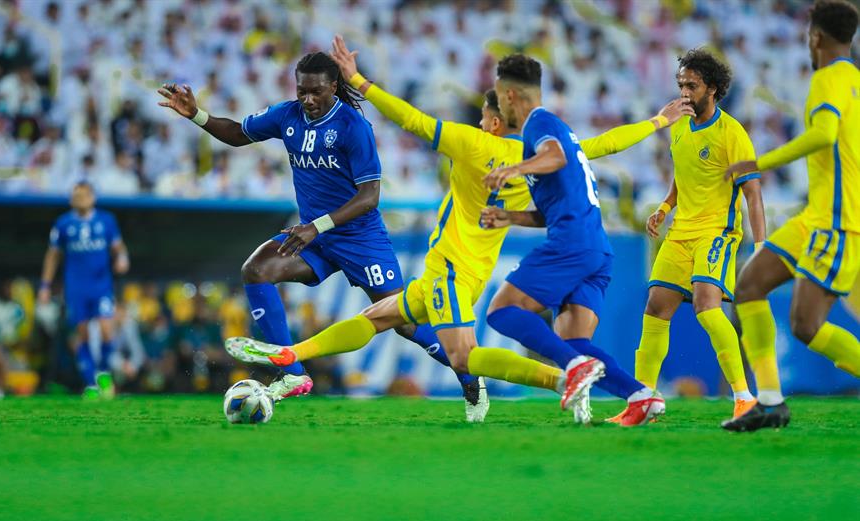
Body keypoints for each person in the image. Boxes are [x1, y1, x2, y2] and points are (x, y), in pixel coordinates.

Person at [226, 39, 691, 423]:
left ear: (492, 119)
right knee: (378, 318)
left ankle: (563, 377)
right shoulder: (541, 157)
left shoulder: (473, 144)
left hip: (451, 268)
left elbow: (411, 119)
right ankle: (293, 357)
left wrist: (361, 82)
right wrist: (656, 122)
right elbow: (604, 145)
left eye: (483, 116)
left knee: (465, 356)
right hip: (465, 271)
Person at [158, 52, 482, 405]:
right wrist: (196, 115)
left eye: (315, 92)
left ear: (334, 86)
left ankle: (469, 375)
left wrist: (317, 226)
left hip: (359, 238)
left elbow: (370, 195)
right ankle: (292, 374)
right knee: (256, 270)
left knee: (402, 321)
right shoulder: (287, 115)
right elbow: (237, 134)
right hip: (314, 238)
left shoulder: (353, 127)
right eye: (302, 91)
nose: (308, 100)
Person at [481, 54, 669, 427]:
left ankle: (575, 367)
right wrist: (511, 217)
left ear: (509, 94)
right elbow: (555, 203)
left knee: (501, 311)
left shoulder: (540, 124)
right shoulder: (557, 128)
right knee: (574, 341)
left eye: (500, 97)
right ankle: (641, 396)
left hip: (571, 244)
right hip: (596, 248)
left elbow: (556, 156)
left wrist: (513, 170)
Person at [723, 0, 859, 431]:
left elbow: (823, 133)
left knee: (805, 325)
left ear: (815, 37)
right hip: (814, 217)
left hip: (836, 222)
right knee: (749, 286)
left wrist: (758, 164)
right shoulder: (853, 79)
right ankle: (770, 401)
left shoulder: (829, 76)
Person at [615, 49, 766, 423]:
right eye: (681, 84)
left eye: (691, 85)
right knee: (656, 306)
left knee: (706, 305)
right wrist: (665, 208)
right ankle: (643, 400)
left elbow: (753, 192)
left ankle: (745, 397)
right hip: (681, 230)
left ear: (712, 89)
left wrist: (761, 246)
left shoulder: (732, 133)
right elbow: (683, 176)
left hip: (718, 231)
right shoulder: (678, 124)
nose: (683, 92)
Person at [39, 181, 129, 399]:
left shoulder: (106, 220)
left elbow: (118, 247)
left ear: (92, 197)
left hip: (101, 285)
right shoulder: (63, 224)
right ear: (71, 199)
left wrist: (122, 259)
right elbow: (53, 256)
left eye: (84, 194)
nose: (80, 198)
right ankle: (90, 384)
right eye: (76, 195)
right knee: (82, 335)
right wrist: (45, 285)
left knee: (107, 329)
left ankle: (104, 373)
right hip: (76, 287)